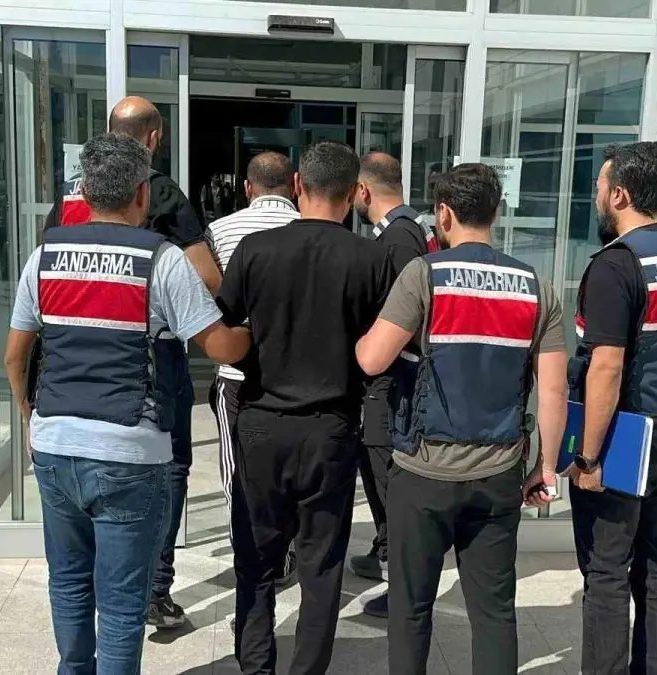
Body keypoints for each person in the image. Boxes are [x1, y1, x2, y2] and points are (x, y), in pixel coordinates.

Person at [3, 133, 251, 674]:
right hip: (129, 452)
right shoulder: (160, 260)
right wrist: (254, 331)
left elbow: (15, 357)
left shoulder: (45, 257)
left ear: (86, 192)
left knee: (68, 580)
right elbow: (220, 346)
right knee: (121, 602)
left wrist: (30, 418)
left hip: (55, 444)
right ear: (142, 193)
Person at [354, 162, 569, 675]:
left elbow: (372, 359)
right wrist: (545, 468)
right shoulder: (537, 287)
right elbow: (554, 390)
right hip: (498, 474)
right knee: (494, 614)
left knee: (411, 609)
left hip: (422, 473)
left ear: (444, 214)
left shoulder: (423, 275)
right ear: (495, 213)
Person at [216, 140, 396, 675]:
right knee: (321, 566)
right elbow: (382, 348)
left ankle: (256, 666)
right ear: (354, 192)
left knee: (255, 559)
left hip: (260, 424)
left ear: (298, 185)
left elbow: (225, 329)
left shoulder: (254, 250)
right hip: (331, 429)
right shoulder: (371, 259)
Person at [45, 95, 219, 630]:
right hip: (145, 362)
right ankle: (152, 589)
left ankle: (103, 585)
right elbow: (208, 277)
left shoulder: (70, 194)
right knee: (169, 469)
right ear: (154, 138)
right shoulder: (158, 190)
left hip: (69, 362)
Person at [568, 142, 657, 675]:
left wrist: (588, 458)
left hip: (624, 441)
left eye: (600, 187)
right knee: (655, 558)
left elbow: (605, 367)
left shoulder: (616, 264)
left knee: (606, 570)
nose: (596, 195)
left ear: (620, 195)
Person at [204, 151, 302, 595]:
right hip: (298, 376)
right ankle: (283, 551)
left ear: (247, 188)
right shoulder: (314, 230)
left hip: (237, 374)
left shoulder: (221, 231)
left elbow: (213, 303)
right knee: (290, 470)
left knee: (237, 470)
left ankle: (250, 553)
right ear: (295, 185)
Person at [349, 151, 439, 618]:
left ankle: (401, 583)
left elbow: (406, 314)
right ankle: (384, 548)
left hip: (391, 375)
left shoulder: (400, 239)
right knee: (376, 468)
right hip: (391, 374)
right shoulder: (407, 230)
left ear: (363, 190)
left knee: (385, 475)